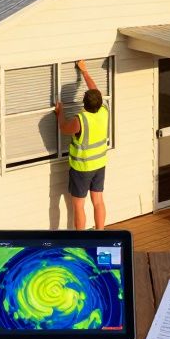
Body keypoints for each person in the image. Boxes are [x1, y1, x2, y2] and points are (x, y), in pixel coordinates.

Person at [56, 59, 109, 229]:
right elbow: (95, 90)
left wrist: (60, 113)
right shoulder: (104, 110)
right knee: (98, 200)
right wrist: (84, 72)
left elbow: (64, 128)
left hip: (82, 167)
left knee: (78, 205)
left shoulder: (81, 119)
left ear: (84, 104)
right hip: (100, 164)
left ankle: (81, 240)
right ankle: (100, 232)